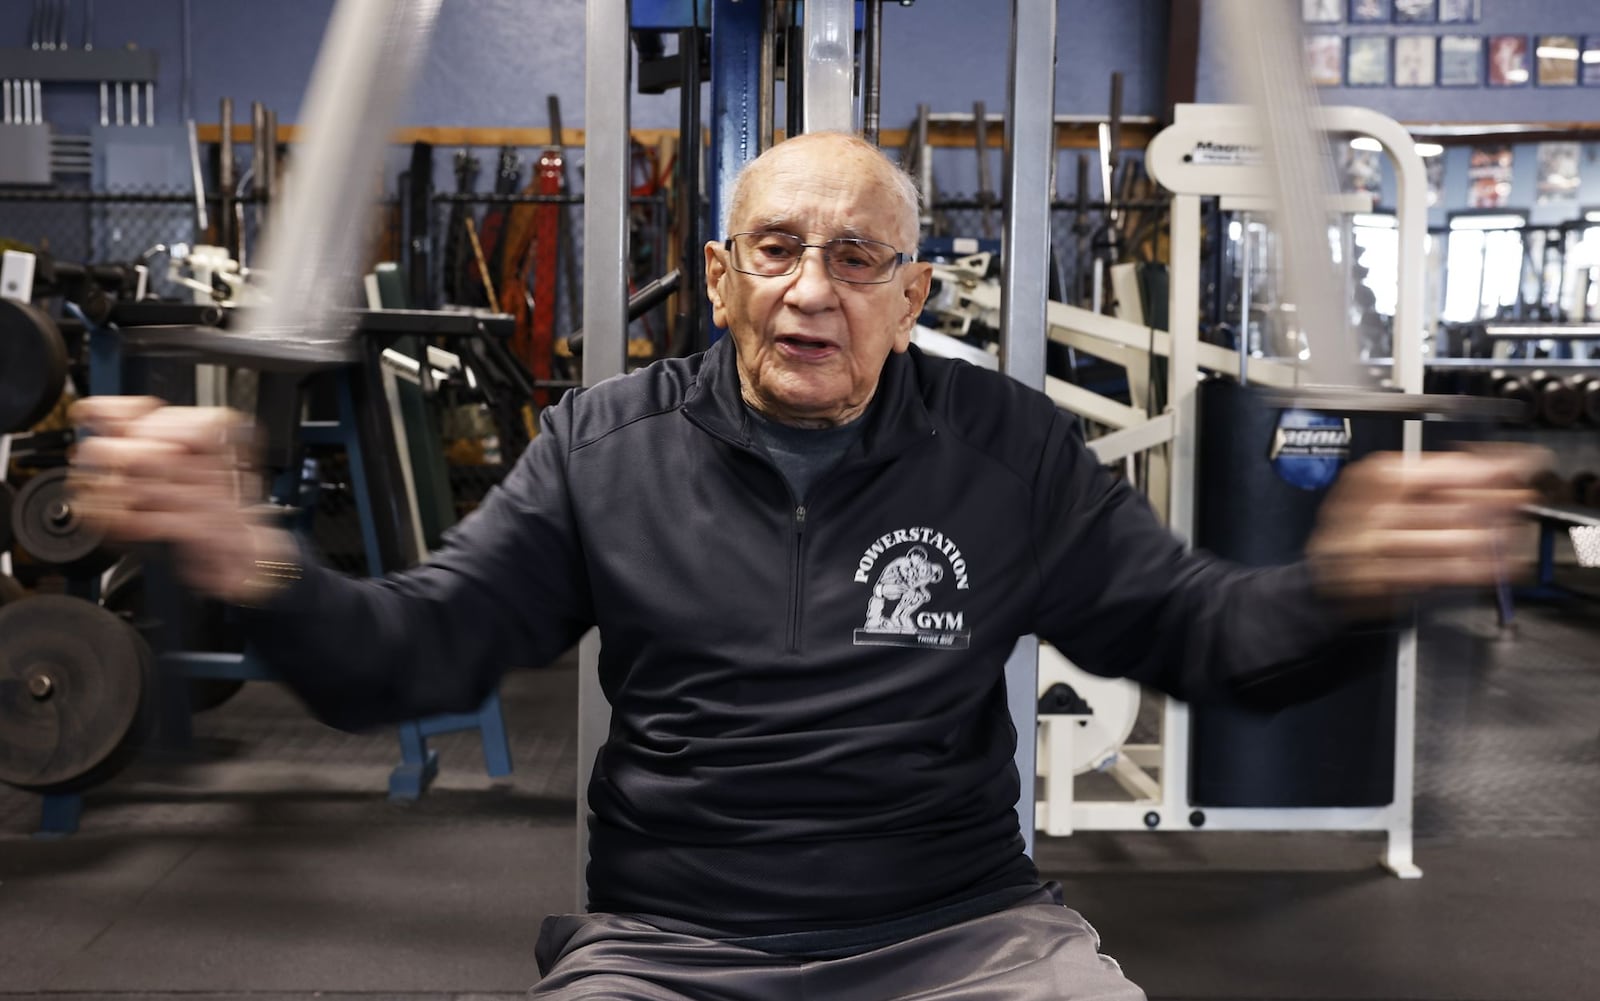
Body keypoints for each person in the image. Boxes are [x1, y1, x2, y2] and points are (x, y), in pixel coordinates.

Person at [71, 131, 1536, 1001]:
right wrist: (249, 560)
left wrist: (1356, 584)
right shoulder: (602, 445)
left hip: (959, 935)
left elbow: (1211, 638)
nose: (809, 290)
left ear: (912, 294)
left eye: (853, 259)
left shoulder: (1004, 452)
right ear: (718, 278)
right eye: (774, 251)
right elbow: (418, 652)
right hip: (671, 944)